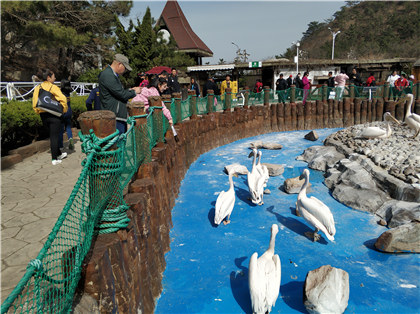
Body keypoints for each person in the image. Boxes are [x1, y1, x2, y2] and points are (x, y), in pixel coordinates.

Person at [98, 53, 142, 134]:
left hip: (116, 116)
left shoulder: (112, 75)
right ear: (119, 64)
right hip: (113, 117)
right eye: (125, 68)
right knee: (117, 143)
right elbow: (122, 95)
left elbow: (117, 92)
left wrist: (129, 90)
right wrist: (134, 92)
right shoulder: (108, 75)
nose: (125, 71)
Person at [32, 69, 68, 165]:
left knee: (52, 135)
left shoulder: (38, 87)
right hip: (54, 114)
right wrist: (64, 109)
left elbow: (35, 103)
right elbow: (63, 99)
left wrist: (38, 111)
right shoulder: (53, 87)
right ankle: (54, 159)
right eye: (53, 76)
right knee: (54, 137)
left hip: (43, 115)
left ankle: (59, 154)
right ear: (48, 77)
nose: (55, 78)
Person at [59, 79, 74, 151]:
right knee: (68, 127)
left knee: (61, 129)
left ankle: (61, 145)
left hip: (63, 112)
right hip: (69, 112)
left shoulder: (61, 93)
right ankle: (70, 138)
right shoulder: (68, 92)